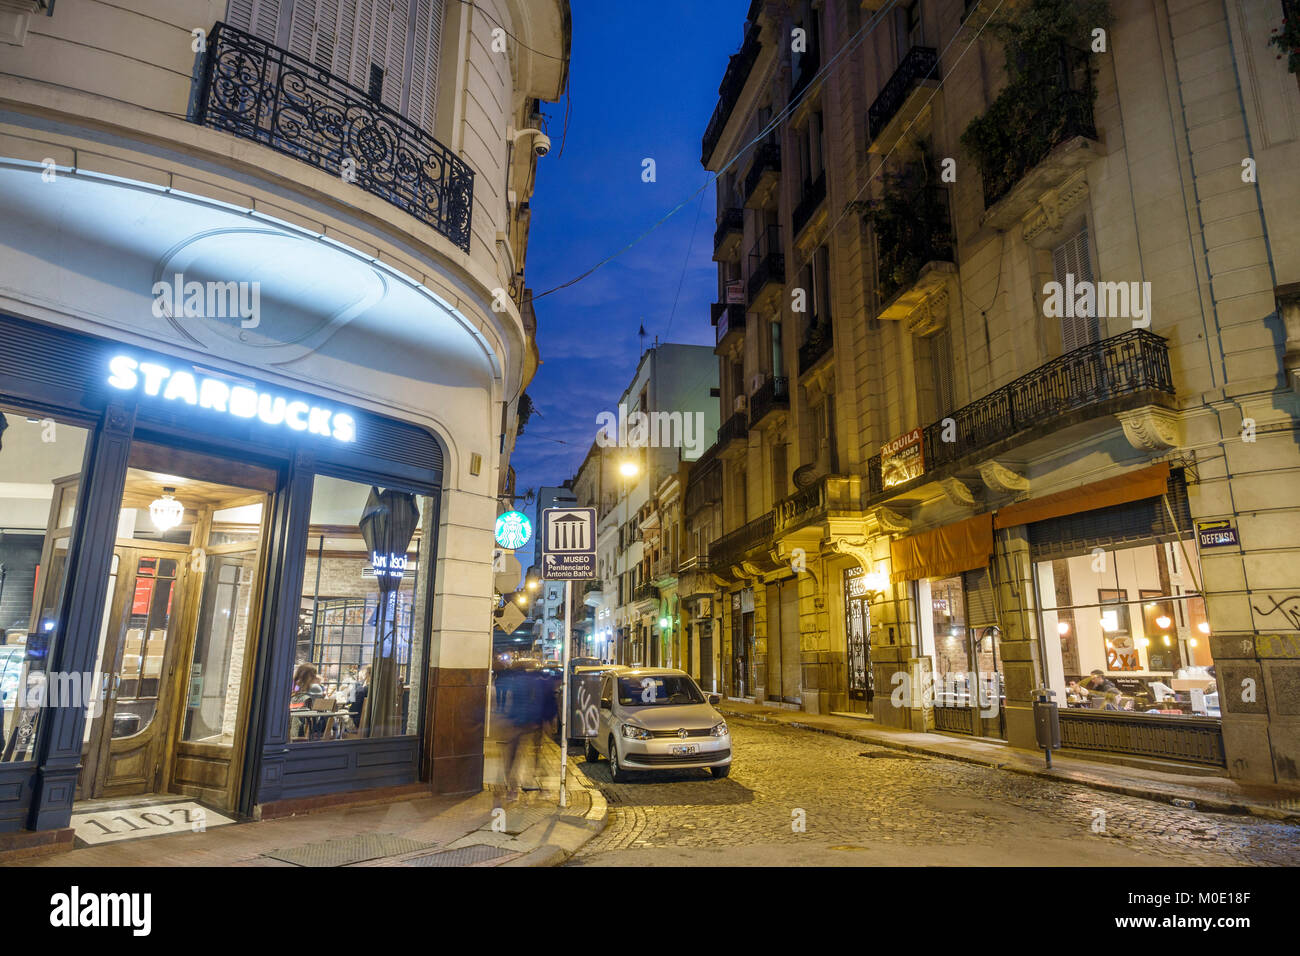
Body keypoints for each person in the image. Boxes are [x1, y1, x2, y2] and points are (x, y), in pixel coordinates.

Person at [290, 663, 324, 740]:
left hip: (297, 723)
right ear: (312, 675)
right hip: (311, 724)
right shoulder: (315, 687)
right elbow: (319, 708)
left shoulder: (296, 686)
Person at [347, 665, 370, 735]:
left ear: (367, 674)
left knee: (341, 713)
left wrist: (349, 701)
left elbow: (351, 709)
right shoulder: (375, 689)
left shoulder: (361, 689)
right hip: (371, 722)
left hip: (359, 723)